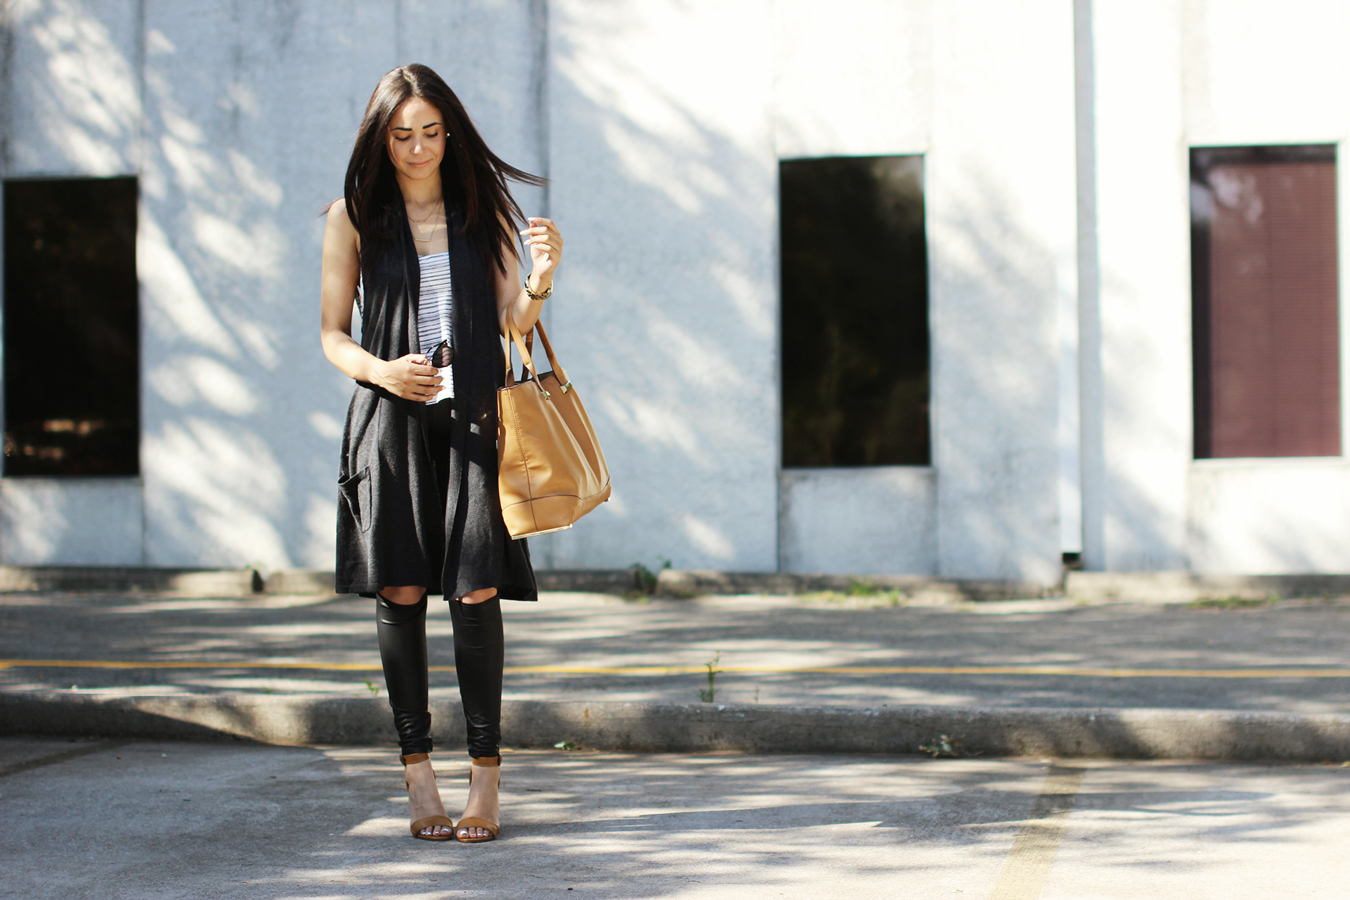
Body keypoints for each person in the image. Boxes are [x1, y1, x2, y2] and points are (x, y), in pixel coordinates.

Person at [319, 63, 562, 843]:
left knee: (475, 594)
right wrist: (384, 370)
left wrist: (542, 278)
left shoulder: (476, 209)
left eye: (430, 132)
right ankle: (417, 774)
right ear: (379, 138)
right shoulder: (352, 216)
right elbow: (330, 335)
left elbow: (511, 325)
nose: (417, 148)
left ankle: (484, 779)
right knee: (399, 594)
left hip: (473, 425)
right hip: (391, 424)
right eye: (401, 135)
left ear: (448, 132)